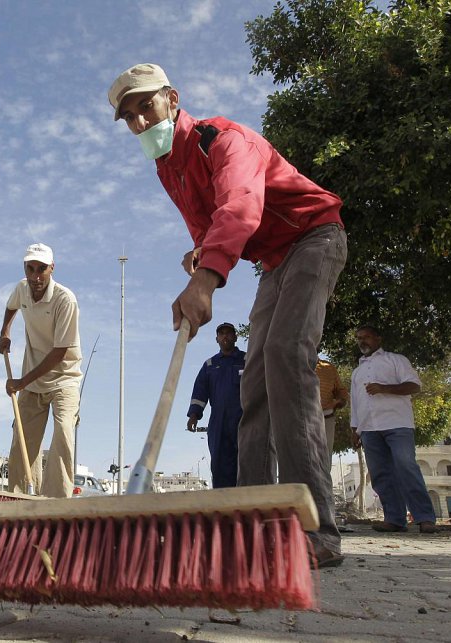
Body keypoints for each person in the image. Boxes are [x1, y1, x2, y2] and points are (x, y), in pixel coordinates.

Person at [108, 63, 348, 567]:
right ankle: (255, 525)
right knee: (252, 384)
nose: (138, 123)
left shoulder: (223, 140)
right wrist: (200, 257)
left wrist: (206, 278)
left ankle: (316, 530)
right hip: (274, 261)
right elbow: (208, 223)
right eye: (128, 117)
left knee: (286, 357)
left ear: (172, 98)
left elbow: (240, 206)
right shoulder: (166, 167)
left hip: (314, 237)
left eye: (144, 107)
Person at [0, 243, 82, 499]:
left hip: (64, 379)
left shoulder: (65, 300)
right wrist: (5, 332)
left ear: (52, 268)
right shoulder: (22, 289)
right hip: (32, 381)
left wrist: (21, 381)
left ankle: (55, 502)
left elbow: (59, 353)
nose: (35, 276)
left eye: (41, 269)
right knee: (23, 439)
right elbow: (11, 306)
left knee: (64, 434)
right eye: (30, 268)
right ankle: (21, 501)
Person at [350, 325, 437, 534]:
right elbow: (355, 400)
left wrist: (384, 388)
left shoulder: (396, 360)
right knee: (381, 474)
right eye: (359, 338)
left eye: (367, 337)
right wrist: (355, 428)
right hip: (369, 428)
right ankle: (395, 519)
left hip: (397, 424)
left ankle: (425, 518)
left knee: (406, 466)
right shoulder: (358, 371)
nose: (363, 341)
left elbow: (414, 386)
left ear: (378, 338)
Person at [186, 322, 245, 488]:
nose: (225, 336)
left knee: (246, 464)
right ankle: (224, 508)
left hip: (244, 421)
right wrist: (194, 415)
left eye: (229, 333)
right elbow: (200, 391)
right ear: (216, 339)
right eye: (221, 334)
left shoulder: (247, 360)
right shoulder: (210, 365)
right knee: (219, 465)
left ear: (235, 337)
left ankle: (247, 506)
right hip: (218, 424)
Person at [317, 357, 348, 455]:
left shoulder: (328, 367)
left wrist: (339, 401)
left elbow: (341, 391)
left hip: (326, 419)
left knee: (325, 458)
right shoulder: (293, 366)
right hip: (300, 420)